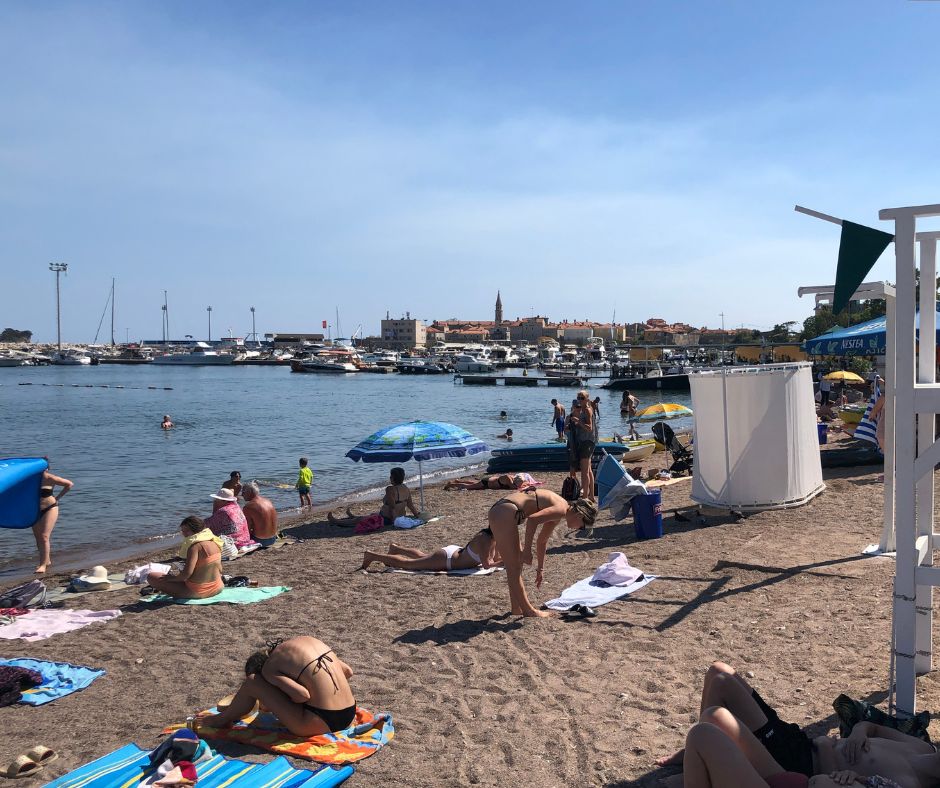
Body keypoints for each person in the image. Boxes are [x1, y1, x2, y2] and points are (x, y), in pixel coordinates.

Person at [658, 661, 931, 787]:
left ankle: (697, 765)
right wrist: (860, 730)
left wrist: (830, 754)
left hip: (799, 762)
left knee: (715, 713)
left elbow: (829, 781)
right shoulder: (922, 748)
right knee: (719, 671)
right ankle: (695, 761)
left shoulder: (907, 783)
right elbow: (872, 727)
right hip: (802, 741)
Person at [198, 636, 356, 736]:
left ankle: (221, 720)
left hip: (322, 722)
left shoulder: (269, 668)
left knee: (252, 683)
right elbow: (348, 672)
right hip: (349, 715)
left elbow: (302, 695)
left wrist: (279, 696)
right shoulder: (308, 642)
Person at [487, 488, 597, 617]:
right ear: (580, 515)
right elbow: (532, 520)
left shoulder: (560, 512)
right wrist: (527, 550)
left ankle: (516, 609)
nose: (579, 529)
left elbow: (542, 541)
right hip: (504, 512)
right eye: (582, 526)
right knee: (514, 566)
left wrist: (540, 569)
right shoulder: (561, 508)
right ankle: (529, 611)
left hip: (503, 512)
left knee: (516, 565)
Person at [147, 516, 223, 600]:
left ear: (195, 531)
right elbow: (220, 569)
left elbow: (186, 575)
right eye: (182, 531)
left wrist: (173, 579)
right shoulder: (214, 541)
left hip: (199, 591)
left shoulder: (195, 547)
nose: (183, 534)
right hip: (218, 587)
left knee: (151, 576)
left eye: (186, 531)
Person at [359, 528, 502, 572]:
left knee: (422, 556)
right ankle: (372, 555)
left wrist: (504, 559)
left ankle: (396, 548)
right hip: (447, 560)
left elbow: (494, 559)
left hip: (453, 553)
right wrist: (506, 561)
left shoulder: (491, 536)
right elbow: (487, 565)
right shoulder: (486, 540)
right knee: (408, 565)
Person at [327, 467, 419, 526]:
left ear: (393, 478)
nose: (390, 478)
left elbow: (392, 507)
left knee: (359, 520)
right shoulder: (406, 488)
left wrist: (394, 521)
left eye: (391, 477)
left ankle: (336, 521)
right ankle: (352, 516)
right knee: (372, 515)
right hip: (401, 516)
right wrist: (417, 516)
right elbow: (410, 505)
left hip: (388, 519)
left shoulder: (390, 489)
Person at [32, 462, 73, 574]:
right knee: (38, 537)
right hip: (34, 510)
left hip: (50, 508)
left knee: (44, 536)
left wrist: (58, 497)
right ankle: (47, 560)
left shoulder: (51, 478)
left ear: (46, 469)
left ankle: (43, 565)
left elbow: (69, 484)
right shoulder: (31, 480)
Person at [567, 390, 597, 501]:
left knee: (584, 470)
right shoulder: (582, 410)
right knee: (588, 469)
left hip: (587, 441)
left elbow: (590, 428)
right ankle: (592, 496)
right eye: (578, 397)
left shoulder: (588, 410)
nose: (580, 399)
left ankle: (585, 496)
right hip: (586, 441)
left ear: (587, 399)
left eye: (582, 398)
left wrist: (578, 422)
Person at [242, 482, 279, 547]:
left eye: (243, 492)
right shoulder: (268, 501)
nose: (242, 494)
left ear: (250, 492)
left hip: (261, 541)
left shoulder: (248, 507)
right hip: (273, 538)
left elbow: (247, 529)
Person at [445, 472, 536, 492]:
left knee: (473, 483)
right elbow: (515, 487)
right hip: (487, 482)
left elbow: (518, 485)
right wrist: (526, 486)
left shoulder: (513, 478)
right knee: (470, 487)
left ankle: (458, 481)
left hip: (488, 482)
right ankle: (451, 485)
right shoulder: (509, 480)